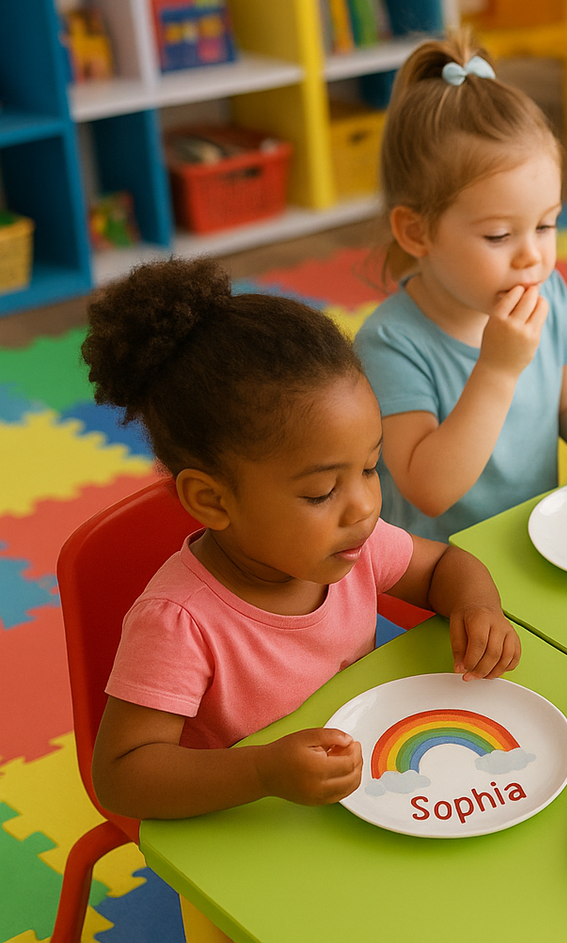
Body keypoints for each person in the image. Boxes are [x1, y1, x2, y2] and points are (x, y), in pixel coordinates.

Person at [81, 258, 520, 821]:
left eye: (369, 468)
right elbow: (123, 776)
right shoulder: (178, 622)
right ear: (213, 501)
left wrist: (478, 608)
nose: (363, 505)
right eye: (320, 493)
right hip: (250, 821)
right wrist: (262, 771)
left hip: (362, 783)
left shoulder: (350, 546)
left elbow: (443, 568)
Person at [355, 34, 567, 542]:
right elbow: (428, 489)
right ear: (417, 232)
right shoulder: (391, 343)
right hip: (436, 576)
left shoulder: (549, 293)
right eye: (499, 235)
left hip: (536, 540)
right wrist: (497, 369)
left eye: (546, 226)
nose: (532, 256)